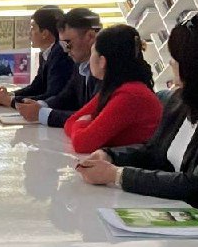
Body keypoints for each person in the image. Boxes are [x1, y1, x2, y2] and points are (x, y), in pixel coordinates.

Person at [76, 10, 198, 238]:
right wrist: (110, 155)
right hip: (177, 218)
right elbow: (153, 152)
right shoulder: (181, 100)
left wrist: (118, 175)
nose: (171, 63)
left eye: (176, 57)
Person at [64, 24, 162, 154]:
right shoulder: (116, 88)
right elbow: (69, 122)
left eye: (92, 52)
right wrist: (84, 126)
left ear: (102, 61)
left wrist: (82, 123)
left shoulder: (130, 95)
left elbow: (82, 143)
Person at [16, 7, 102, 124]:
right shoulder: (80, 64)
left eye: (68, 43)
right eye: (62, 45)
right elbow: (66, 97)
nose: (66, 50)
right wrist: (41, 105)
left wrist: (42, 114)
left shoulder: (105, 68)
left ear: (90, 37)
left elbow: (93, 117)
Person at [0, 5, 73, 108]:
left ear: (44, 33)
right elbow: (36, 87)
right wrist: (11, 95)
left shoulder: (61, 55)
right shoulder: (46, 52)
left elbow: (52, 96)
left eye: (32, 28)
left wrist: (11, 101)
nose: (29, 33)